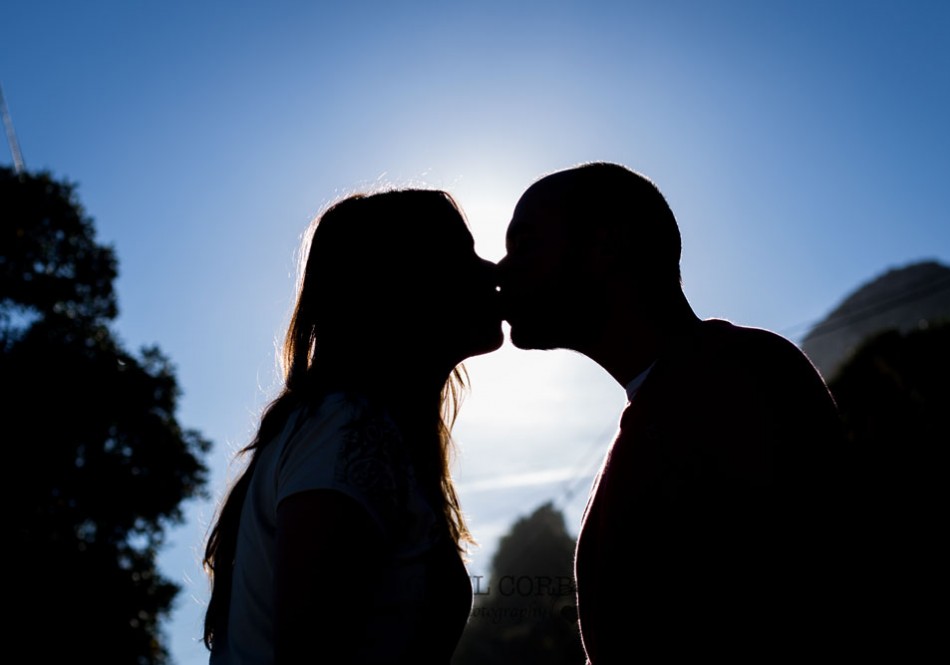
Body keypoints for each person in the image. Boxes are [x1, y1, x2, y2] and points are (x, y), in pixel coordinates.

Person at [497, 162, 853, 661]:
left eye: (525, 244)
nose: (500, 270)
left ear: (604, 246)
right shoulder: (689, 390)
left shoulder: (737, 378)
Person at [202, 189, 503, 664]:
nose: (495, 272)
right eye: (463, 255)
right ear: (403, 284)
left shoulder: (359, 432)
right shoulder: (349, 427)